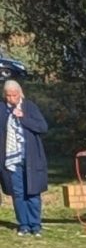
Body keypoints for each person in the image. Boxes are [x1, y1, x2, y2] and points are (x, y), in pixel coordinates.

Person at [3, 81, 48, 237]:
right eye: (8, 96)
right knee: (18, 194)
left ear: (20, 93)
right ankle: (23, 225)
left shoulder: (30, 107)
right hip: (11, 160)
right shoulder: (2, 109)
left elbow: (43, 127)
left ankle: (36, 225)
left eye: (14, 95)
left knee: (33, 193)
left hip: (31, 158)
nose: (11, 99)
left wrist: (23, 118)